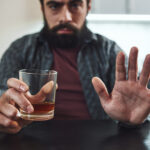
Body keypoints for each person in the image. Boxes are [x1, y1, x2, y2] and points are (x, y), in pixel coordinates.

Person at [0, 0, 150, 134]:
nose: (66, 17)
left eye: (75, 5)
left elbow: (136, 102)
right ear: (42, 8)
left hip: (97, 141)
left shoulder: (109, 51)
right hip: (30, 139)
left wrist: (131, 120)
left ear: (88, 6)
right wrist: (4, 107)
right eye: (54, 6)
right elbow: (3, 95)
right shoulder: (20, 49)